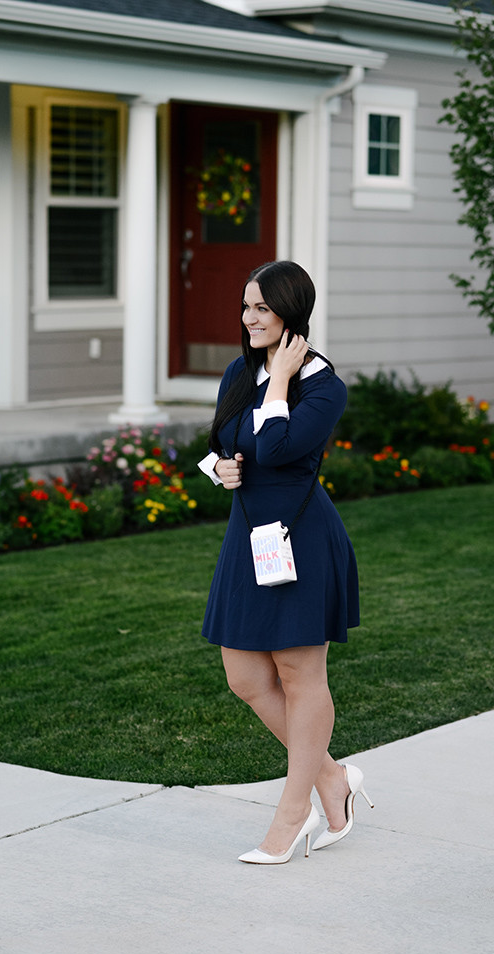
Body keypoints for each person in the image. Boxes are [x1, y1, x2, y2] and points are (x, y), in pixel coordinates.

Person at [198, 260, 373, 865]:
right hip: (249, 538)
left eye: (262, 309)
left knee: (301, 678)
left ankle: (292, 813)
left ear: (291, 314)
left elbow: (273, 447)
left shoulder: (323, 386)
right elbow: (223, 442)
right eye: (245, 307)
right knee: (245, 677)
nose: (248, 319)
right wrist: (217, 470)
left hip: (302, 537)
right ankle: (332, 779)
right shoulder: (236, 371)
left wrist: (278, 383)